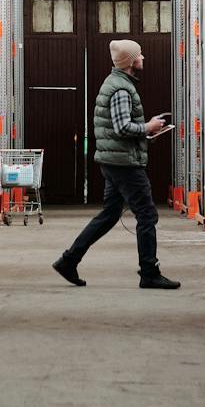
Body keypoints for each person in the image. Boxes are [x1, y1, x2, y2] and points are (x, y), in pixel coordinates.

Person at [54, 38, 180, 289]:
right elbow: (122, 127)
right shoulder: (121, 89)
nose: (143, 58)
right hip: (124, 163)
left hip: (115, 160)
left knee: (110, 214)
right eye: (140, 55)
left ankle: (69, 260)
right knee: (147, 214)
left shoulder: (118, 84)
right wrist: (147, 127)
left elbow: (119, 126)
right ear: (131, 61)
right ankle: (149, 272)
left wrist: (147, 129)